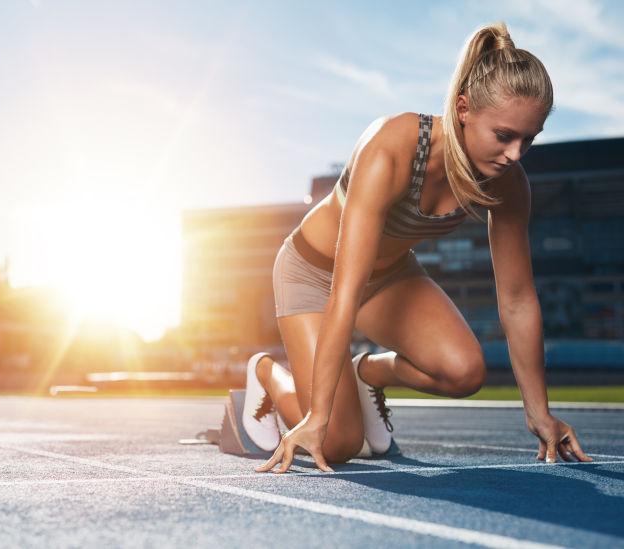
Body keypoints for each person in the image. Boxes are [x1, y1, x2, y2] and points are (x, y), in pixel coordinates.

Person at [242, 22, 593, 474]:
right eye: (504, 135)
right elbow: (343, 294)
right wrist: (318, 416)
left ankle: (367, 373)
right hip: (315, 273)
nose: (515, 153)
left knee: (465, 372)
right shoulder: (394, 147)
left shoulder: (509, 185)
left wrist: (539, 412)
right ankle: (267, 373)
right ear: (463, 108)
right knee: (339, 440)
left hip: (388, 276)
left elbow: (519, 299)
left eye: (529, 138)